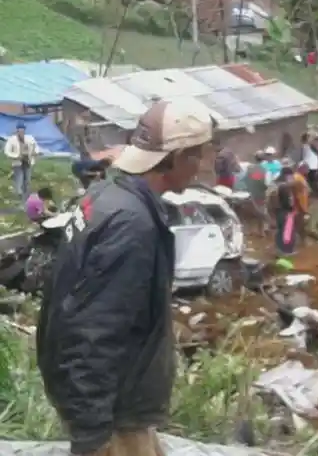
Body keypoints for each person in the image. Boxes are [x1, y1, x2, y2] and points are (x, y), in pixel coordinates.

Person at [37, 99, 215, 456]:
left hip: (118, 405)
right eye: (200, 155)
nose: (204, 166)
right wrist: (93, 433)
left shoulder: (107, 194)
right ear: (178, 157)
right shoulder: (132, 225)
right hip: (116, 417)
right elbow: (94, 331)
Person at [4, 121, 38, 201]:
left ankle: (26, 195)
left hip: (27, 161)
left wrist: (35, 152)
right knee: (19, 178)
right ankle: (19, 195)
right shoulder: (12, 139)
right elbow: (7, 151)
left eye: (23, 130)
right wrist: (16, 156)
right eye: (20, 130)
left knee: (27, 179)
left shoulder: (30, 138)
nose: (21, 132)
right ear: (17, 130)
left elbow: (36, 147)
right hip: (17, 162)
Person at [270, 166, 298, 256]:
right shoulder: (285, 187)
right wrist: (292, 209)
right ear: (287, 176)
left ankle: (278, 249)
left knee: (280, 231)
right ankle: (286, 251)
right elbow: (288, 202)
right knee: (288, 232)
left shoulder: (275, 185)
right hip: (286, 211)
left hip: (277, 211)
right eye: (291, 176)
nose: (292, 178)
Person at [245, 151, 270, 236]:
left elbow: (246, 180)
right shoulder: (265, 170)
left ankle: (249, 230)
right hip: (260, 194)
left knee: (250, 212)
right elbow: (267, 183)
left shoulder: (249, 168)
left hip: (250, 193)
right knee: (261, 212)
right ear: (263, 159)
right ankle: (261, 231)